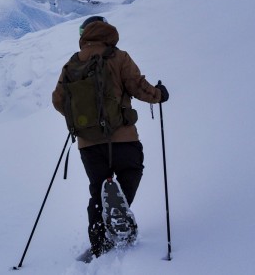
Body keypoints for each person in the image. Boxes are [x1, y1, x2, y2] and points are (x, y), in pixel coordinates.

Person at [51, 16, 169, 257]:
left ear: (84, 34)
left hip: (88, 143)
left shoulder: (72, 64)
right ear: (107, 31)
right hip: (123, 137)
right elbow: (137, 86)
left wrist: (81, 121)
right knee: (131, 171)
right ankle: (119, 213)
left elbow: (58, 100)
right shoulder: (118, 56)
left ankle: (99, 242)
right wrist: (159, 94)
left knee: (98, 188)